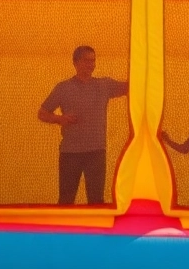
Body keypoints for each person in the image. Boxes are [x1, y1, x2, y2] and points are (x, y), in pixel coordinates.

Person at [38, 46, 129, 205]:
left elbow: (129, 87)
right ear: (75, 62)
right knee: (66, 199)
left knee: (96, 200)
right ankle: (63, 229)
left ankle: (95, 230)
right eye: (86, 60)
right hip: (70, 152)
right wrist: (60, 118)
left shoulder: (104, 85)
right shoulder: (63, 88)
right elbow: (42, 113)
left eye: (93, 60)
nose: (91, 64)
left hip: (96, 152)